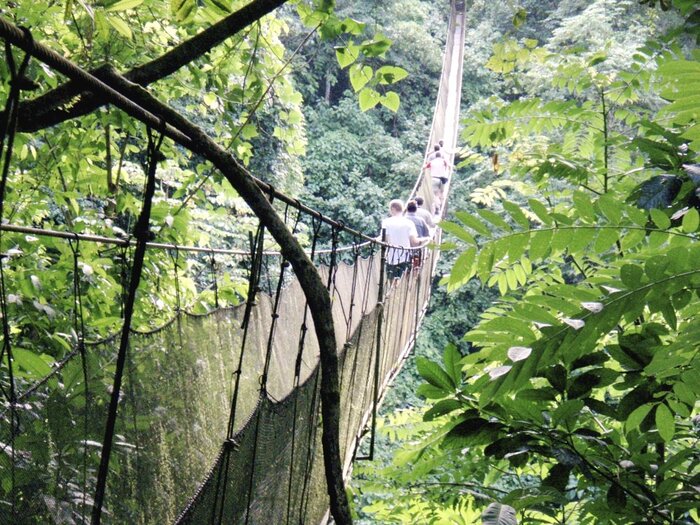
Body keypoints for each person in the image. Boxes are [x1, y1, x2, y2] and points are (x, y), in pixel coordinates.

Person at [380, 199, 427, 279]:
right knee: (404, 283)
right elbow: (414, 243)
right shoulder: (409, 223)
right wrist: (425, 240)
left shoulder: (386, 222)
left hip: (391, 258)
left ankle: (394, 286)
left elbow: (384, 240)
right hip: (405, 258)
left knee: (392, 284)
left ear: (392, 209)